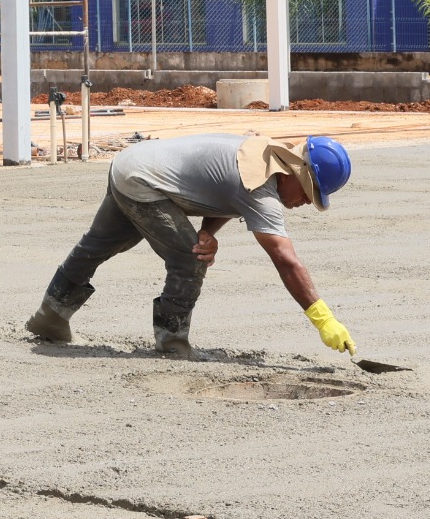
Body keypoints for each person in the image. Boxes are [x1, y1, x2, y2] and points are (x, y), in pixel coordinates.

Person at [26, 131, 356, 361]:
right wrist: (324, 320)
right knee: (190, 257)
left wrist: (208, 231)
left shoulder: (262, 153)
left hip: (131, 164)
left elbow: (224, 191)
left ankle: (50, 316)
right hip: (145, 182)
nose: (302, 203)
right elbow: (286, 260)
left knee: (101, 243)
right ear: (295, 173)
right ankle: (172, 342)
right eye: (307, 194)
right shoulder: (262, 192)